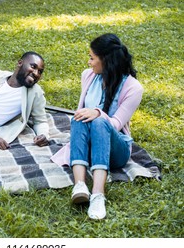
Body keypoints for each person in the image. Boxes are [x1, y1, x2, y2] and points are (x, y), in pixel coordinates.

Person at [50, 33, 144, 220]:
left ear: (106, 60)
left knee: (100, 121)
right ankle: (80, 185)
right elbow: (81, 112)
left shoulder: (133, 88)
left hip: (116, 151)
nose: (89, 62)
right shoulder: (88, 76)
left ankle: (98, 194)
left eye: (92, 58)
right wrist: (87, 113)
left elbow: (116, 124)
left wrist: (98, 113)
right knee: (79, 117)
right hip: (89, 146)